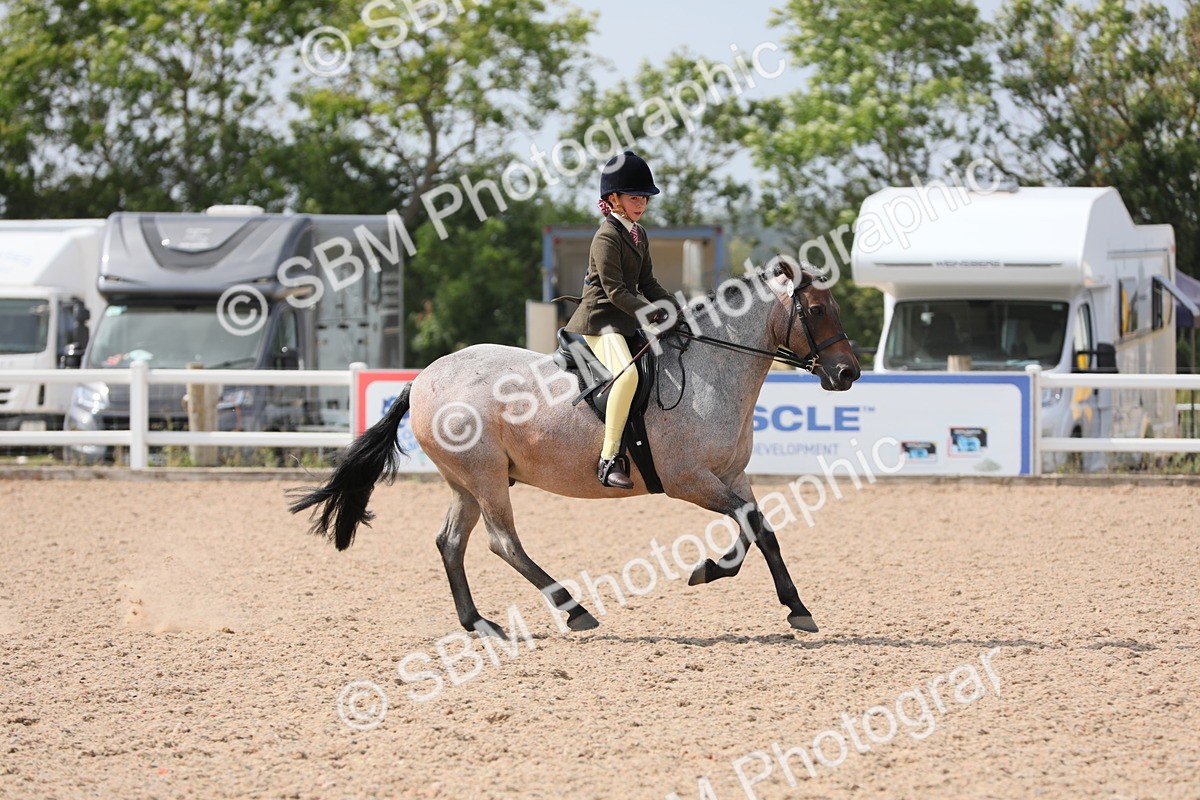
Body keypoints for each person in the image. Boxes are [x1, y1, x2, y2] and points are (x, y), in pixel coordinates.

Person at [564, 150, 677, 489]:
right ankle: (609, 457)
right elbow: (614, 291)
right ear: (613, 199)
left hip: (627, 320)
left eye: (644, 197)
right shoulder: (607, 236)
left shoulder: (639, 234)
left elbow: (648, 283)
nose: (641, 202)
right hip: (600, 321)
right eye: (634, 197)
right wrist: (650, 312)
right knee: (626, 376)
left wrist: (675, 308)